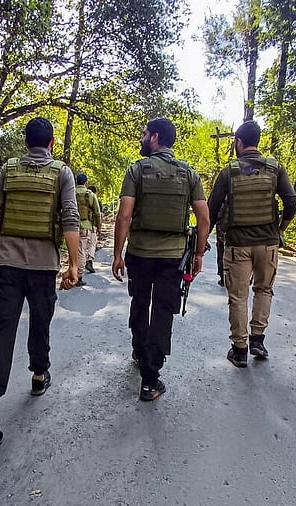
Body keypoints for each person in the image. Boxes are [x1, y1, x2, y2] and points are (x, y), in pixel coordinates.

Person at [0, 117, 81, 446]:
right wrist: (74, 264)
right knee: (40, 321)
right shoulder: (62, 173)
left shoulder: (9, 169)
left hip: (7, 263)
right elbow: (70, 217)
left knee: (0, 332)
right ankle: (38, 373)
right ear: (51, 144)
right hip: (43, 265)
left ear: (25, 143)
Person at [112, 118, 210, 401]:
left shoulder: (136, 170)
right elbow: (204, 218)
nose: (141, 138)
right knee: (163, 311)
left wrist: (117, 254)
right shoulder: (189, 174)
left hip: (139, 253)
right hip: (172, 258)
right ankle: (150, 380)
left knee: (140, 302)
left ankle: (139, 351)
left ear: (155, 137)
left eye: (144, 134)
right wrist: (198, 254)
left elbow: (124, 216)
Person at [208, 120, 296, 368]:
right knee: (263, 290)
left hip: (237, 244)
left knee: (238, 297)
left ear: (238, 142)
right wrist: (280, 229)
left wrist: (201, 241)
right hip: (267, 243)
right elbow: (291, 203)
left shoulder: (229, 171)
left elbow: (212, 209)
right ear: (258, 141)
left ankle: (239, 350)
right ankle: (258, 339)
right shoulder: (275, 168)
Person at [75, 174, 102, 283]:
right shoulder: (90, 194)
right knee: (81, 252)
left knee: (73, 251)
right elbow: (97, 212)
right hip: (85, 226)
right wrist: (99, 226)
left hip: (71, 227)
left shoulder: (71, 192)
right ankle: (79, 276)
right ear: (86, 182)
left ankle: (72, 273)